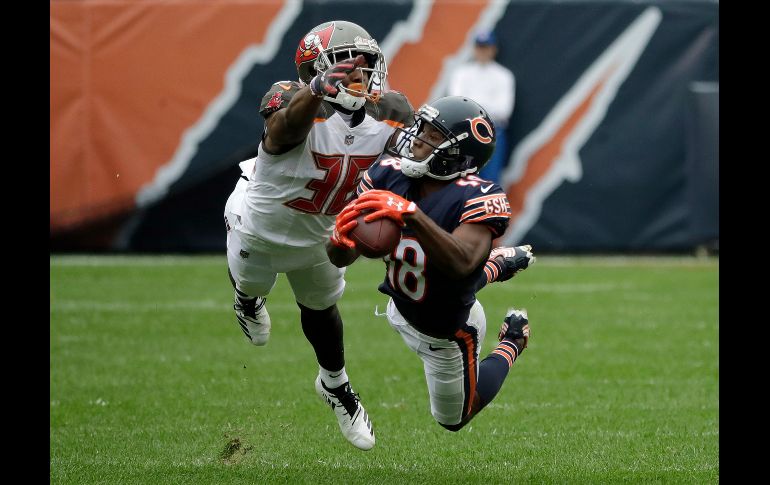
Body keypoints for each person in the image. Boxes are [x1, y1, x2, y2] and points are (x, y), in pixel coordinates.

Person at [223, 20, 413, 451]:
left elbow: (406, 140)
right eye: (349, 68)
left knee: (322, 307)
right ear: (318, 70)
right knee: (254, 285)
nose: (360, 77)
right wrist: (317, 93)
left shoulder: (390, 111)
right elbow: (283, 131)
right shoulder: (292, 97)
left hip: (320, 233)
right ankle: (246, 299)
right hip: (259, 227)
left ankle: (335, 386)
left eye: (366, 67)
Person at [326, 96, 536, 432]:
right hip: (403, 296)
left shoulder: (477, 195)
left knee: (453, 420)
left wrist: (410, 213)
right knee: (430, 277)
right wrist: (340, 239)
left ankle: (513, 341)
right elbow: (343, 256)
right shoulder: (388, 174)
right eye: (421, 126)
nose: (418, 136)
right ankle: (499, 263)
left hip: (447, 332)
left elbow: (463, 263)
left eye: (433, 134)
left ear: (458, 153)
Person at [447, 30, 515, 184]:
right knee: (461, 180)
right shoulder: (461, 73)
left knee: (489, 182)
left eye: (486, 47)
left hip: (492, 132)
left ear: (493, 49)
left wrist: (472, 103)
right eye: (479, 47)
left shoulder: (504, 76)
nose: (482, 51)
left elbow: (504, 111)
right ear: (474, 49)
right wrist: (484, 105)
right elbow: (457, 105)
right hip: (465, 132)